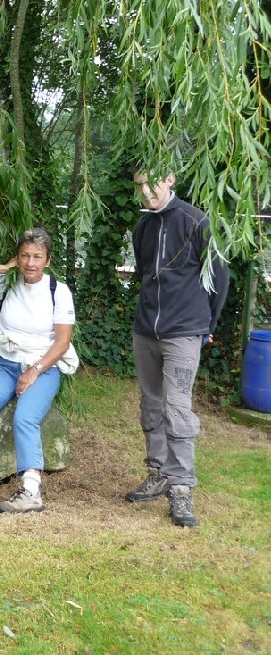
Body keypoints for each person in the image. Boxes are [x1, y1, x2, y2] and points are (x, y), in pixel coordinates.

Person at [125, 170, 229, 528]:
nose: (145, 190)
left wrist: (206, 326)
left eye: (151, 181)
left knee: (177, 407)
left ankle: (182, 488)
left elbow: (219, 275)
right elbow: (144, 273)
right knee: (151, 404)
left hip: (184, 332)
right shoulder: (143, 227)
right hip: (146, 331)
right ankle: (157, 473)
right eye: (138, 184)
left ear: (169, 179)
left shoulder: (195, 220)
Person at [0, 227, 77, 513]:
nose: (30, 263)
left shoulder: (57, 291)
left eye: (37, 256)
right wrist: (6, 266)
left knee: (25, 416)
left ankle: (31, 490)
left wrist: (34, 371)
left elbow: (62, 343)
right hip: (5, 362)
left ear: (48, 260)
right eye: (24, 256)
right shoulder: (7, 282)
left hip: (43, 365)